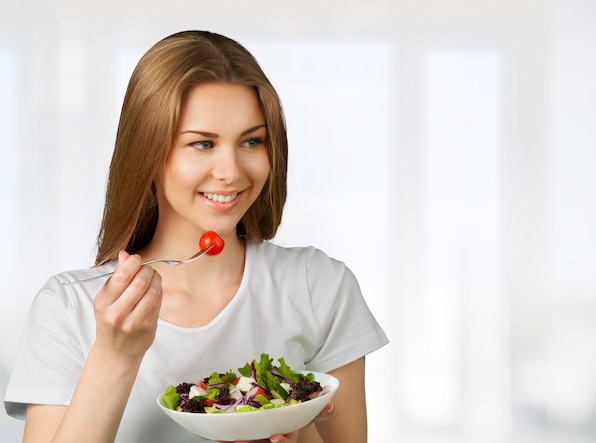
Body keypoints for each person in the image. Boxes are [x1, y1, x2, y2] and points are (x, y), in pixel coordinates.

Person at [3, 30, 388, 443]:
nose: (232, 171)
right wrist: (115, 355)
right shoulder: (69, 306)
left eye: (251, 141)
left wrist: (299, 427)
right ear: (148, 151)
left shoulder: (319, 285)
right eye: (203, 144)